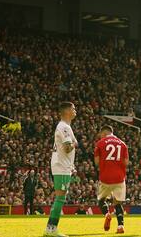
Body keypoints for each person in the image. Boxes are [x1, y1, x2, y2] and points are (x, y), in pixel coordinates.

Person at [44, 101, 78, 237]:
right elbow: (68, 147)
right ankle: (50, 229)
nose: (75, 111)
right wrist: (75, 143)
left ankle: (50, 229)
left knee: (60, 198)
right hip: (62, 166)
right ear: (67, 111)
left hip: (63, 165)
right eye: (73, 108)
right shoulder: (64, 127)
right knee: (60, 198)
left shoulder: (64, 126)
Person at [93, 125, 129, 234]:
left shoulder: (100, 143)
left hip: (105, 177)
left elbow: (97, 162)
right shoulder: (123, 144)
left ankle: (107, 214)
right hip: (119, 177)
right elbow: (126, 162)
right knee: (118, 203)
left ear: (103, 133)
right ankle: (120, 226)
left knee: (101, 199)